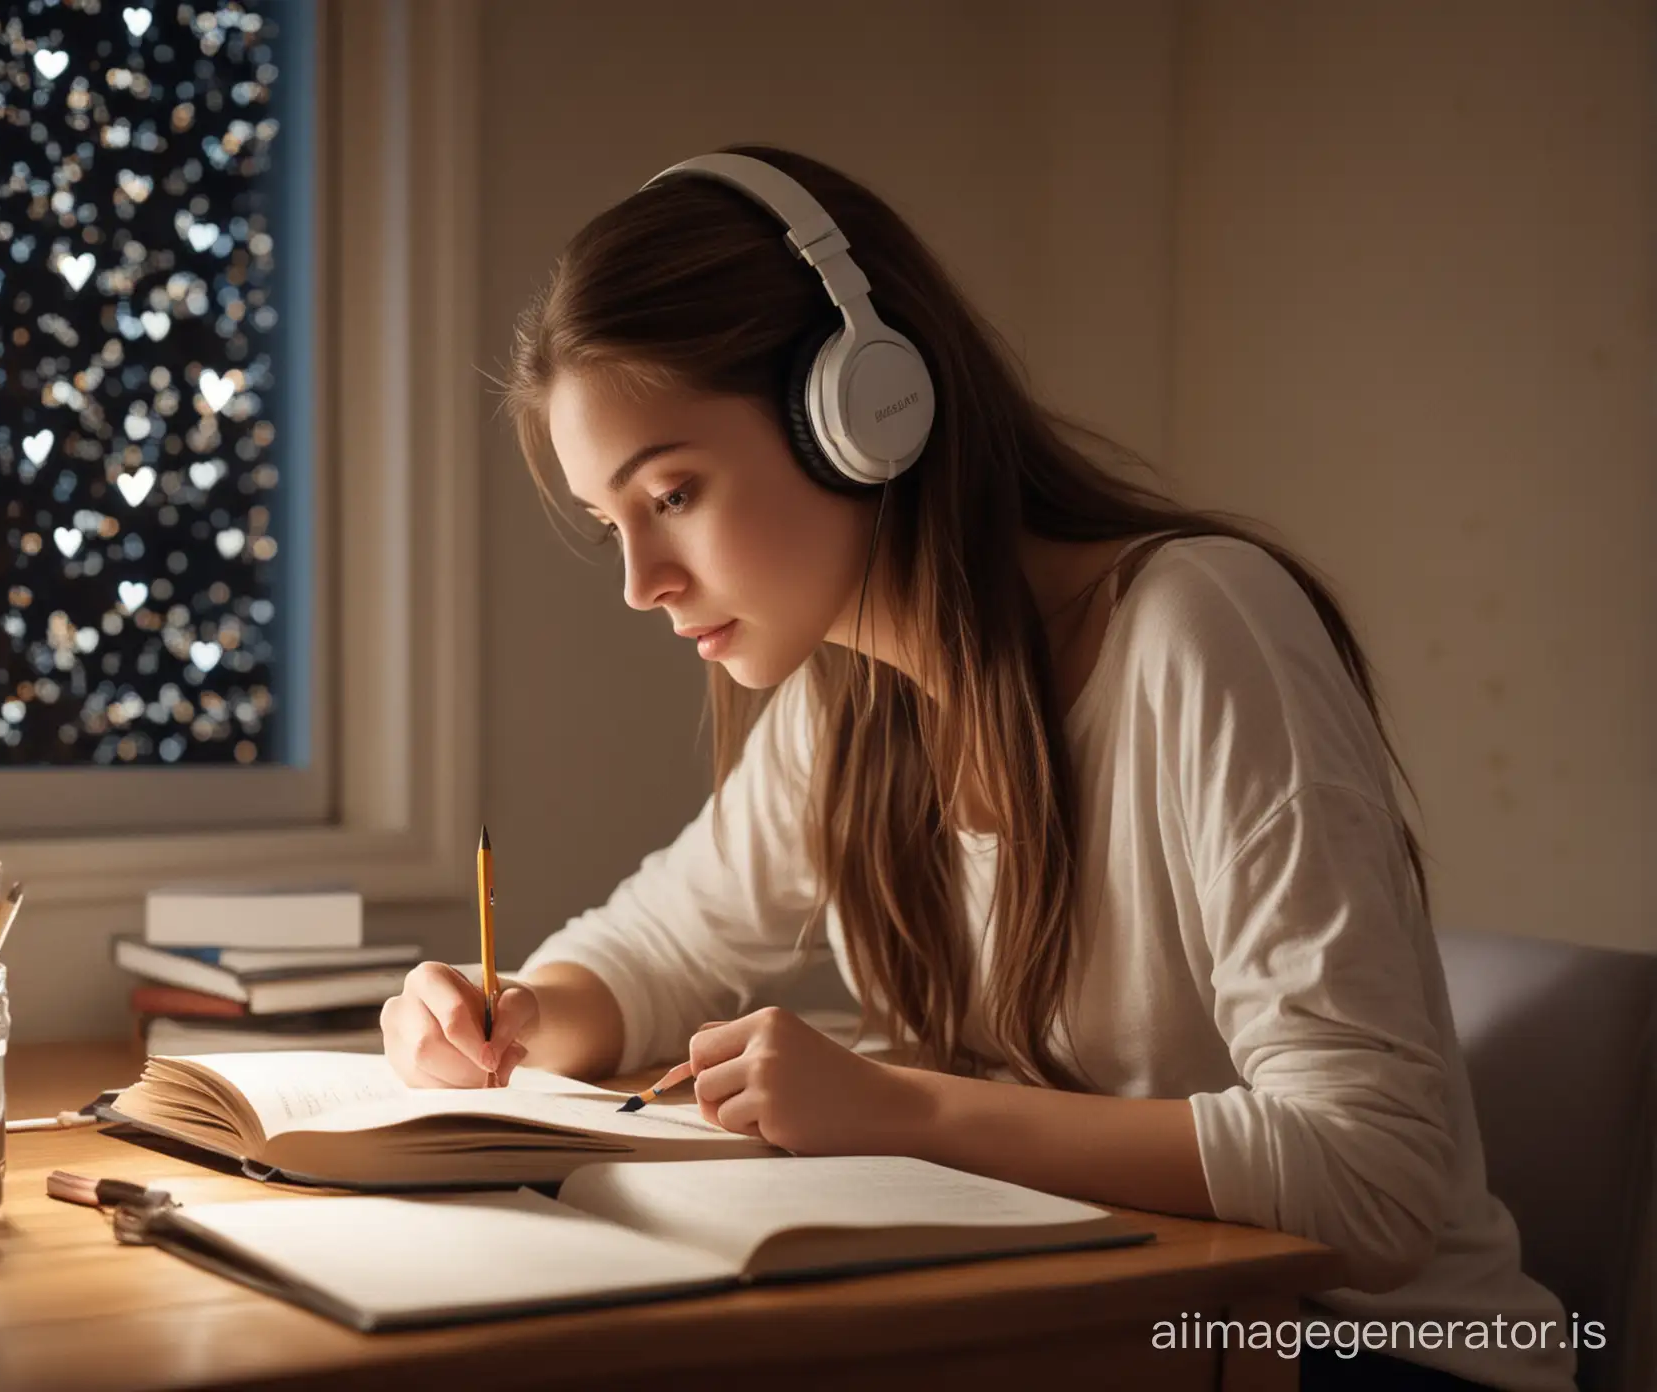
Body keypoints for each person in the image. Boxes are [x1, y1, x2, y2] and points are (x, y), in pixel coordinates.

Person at [380, 146, 1574, 1392]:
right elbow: (658, 951)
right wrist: (513, 1016)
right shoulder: (844, 701)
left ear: (860, 406)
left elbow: (1370, 1184)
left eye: (672, 493)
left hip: (1368, 1352)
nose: (641, 583)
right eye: (609, 525)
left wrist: (903, 1112)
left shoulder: (1201, 630)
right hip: (1101, 1324)